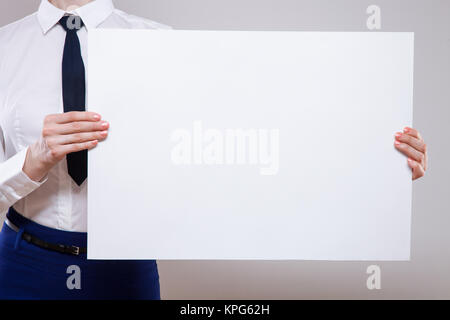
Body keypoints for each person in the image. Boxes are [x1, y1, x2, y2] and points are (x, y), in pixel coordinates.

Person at [0, 0, 428, 299]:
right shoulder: (5, 48)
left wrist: (375, 163)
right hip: (23, 263)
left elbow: (239, 140)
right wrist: (29, 163)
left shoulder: (162, 44)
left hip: (124, 270)